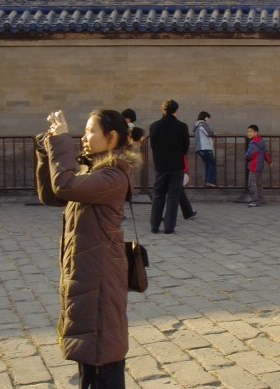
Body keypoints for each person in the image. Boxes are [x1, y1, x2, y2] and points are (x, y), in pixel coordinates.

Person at [35, 109, 141, 389]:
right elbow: (52, 194)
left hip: (99, 282)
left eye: (90, 131)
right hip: (87, 277)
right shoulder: (92, 172)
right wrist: (47, 152)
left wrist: (60, 142)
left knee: (101, 358)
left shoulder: (112, 176)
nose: (83, 138)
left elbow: (64, 185)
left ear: (112, 137)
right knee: (90, 359)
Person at [148, 99, 190, 233]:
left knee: (158, 194)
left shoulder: (154, 126)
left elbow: (153, 145)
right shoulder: (182, 126)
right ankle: (168, 227)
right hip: (176, 165)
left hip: (160, 165)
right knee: (173, 196)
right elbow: (186, 146)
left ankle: (154, 225)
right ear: (176, 111)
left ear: (163, 110)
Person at [245, 124, 270, 207]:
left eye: (250, 132)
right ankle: (261, 199)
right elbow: (265, 153)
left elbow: (249, 154)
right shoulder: (261, 141)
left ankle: (255, 201)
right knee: (258, 184)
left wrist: (246, 157)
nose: (248, 133)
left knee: (251, 184)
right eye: (248, 132)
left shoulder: (253, 143)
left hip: (253, 166)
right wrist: (269, 161)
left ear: (256, 132)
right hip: (260, 166)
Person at [194, 111, 217, 187]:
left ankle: (208, 181)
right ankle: (210, 181)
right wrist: (214, 132)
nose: (209, 120)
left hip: (199, 149)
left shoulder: (197, 126)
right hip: (205, 148)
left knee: (208, 164)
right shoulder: (202, 124)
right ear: (205, 118)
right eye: (208, 118)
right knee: (211, 163)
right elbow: (210, 133)